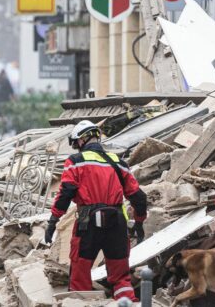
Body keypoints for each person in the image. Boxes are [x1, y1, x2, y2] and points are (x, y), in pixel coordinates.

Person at [45, 120, 148, 301]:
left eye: (76, 143)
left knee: (80, 274)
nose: (77, 147)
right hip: (117, 224)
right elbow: (139, 197)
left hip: (88, 224)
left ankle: (81, 304)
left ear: (82, 140)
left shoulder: (75, 161)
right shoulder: (118, 162)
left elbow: (66, 192)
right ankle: (127, 303)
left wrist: (53, 220)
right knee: (121, 277)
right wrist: (139, 222)